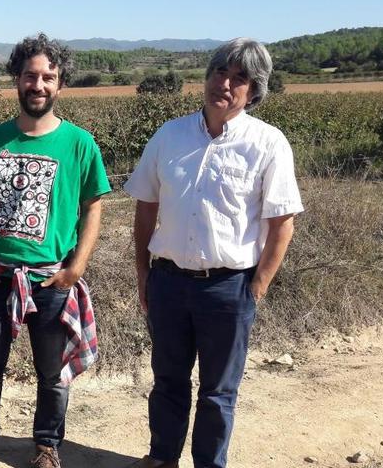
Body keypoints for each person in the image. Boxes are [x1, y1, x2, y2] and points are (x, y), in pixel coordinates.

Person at [124, 38, 304, 468]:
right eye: (219, 72)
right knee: (167, 381)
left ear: (254, 90)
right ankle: (162, 458)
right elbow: (146, 204)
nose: (224, 84)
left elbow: (282, 223)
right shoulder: (170, 135)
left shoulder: (268, 143)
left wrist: (256, 286)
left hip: (228, 287)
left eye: (239, 78)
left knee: (218, 392)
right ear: (205, 78)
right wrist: (144, 272)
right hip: (168, 281)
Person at [0, 34, 111, 468]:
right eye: (30, 76)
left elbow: (93, 207)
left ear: (60, 84)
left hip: (52, 280)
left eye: (48, 77)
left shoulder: (80, 144)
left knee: (52, 373)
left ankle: (46, 444)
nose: (38, 85)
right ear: (16, 80)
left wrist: (76, 268)